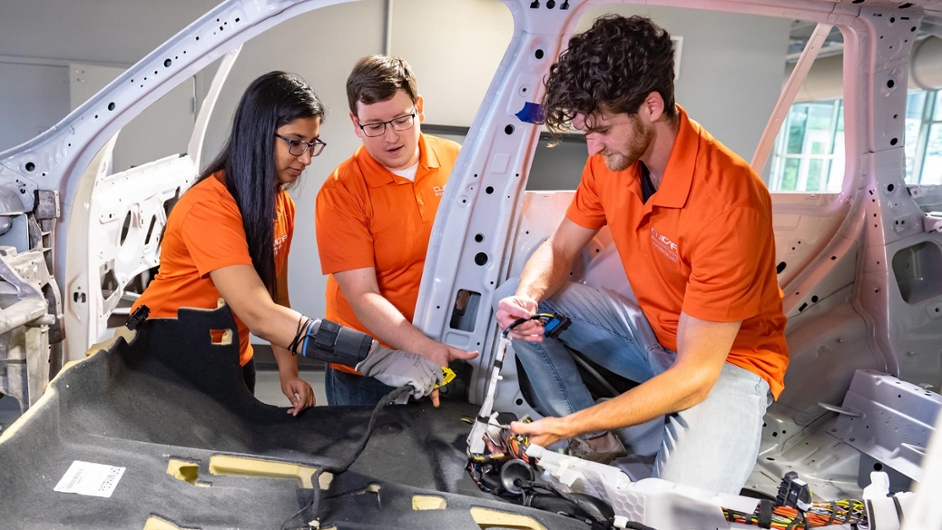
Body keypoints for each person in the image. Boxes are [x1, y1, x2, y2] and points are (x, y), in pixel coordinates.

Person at [495, 15, 789, 494]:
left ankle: (579, 431)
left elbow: (695, 375)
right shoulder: (612, 162)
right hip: (654, 335)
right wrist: (527, 300)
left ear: (651, 106)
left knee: (678, 511)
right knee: (517, 294)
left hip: (727, 364)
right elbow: (560, 246)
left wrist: (562, 426)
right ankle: (596, 441)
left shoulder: (730, 200)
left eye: (603, 129)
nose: (591, 147)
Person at [132, 71, 443, 415]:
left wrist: (288, 370)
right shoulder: (208, 207)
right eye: (295, 142)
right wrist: (375, 358)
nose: (307, 158)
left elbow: (274, 296)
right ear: (259, 135)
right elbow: (259, 313)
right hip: (171, 359)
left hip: (232, 354)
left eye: (312, 144)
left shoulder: (281, 205)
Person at [316, 56, 478, 406]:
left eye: (402, 119)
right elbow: (363, 296)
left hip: (445, 344)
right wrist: (424, 349)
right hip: (370, 363)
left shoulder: (457, 160)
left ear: (419, 108)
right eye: (374, 125)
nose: (391, 137)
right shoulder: (341, 191)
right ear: (355, 124)